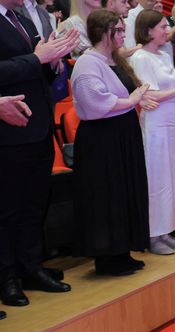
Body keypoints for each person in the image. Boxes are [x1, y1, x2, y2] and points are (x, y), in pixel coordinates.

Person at [1, 0, 78, 308]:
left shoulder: (21, 19)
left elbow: (37, 68)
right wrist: (37, 58)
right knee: (7, 210)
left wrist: (54, 62)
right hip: (9, 130)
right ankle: (7, 277)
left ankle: (30, 266)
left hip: (38, 126)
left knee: (34, 204)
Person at [70, 8, 157, 275]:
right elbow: (94, 101)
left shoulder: (114, 59)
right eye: (117, 30)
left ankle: (122, 250)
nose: (122, 34)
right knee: (107, 195)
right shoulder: (88, 62)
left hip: (122, 133)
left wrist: (137, 97)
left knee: (124, 191)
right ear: (102, 33)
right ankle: (106, 256)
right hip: (102, 137)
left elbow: (128, 91)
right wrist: (131, 100)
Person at [130, 9, 175, 255]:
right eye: (161, 26)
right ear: (148, 30)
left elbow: (171, 91)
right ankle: (152, 234)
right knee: (157, 177)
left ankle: (168, 230)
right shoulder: (140, 57)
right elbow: (149, 95)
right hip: (156, 121)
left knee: (173, 174)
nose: (165, 30)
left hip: (171, 118)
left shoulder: (164, 54)